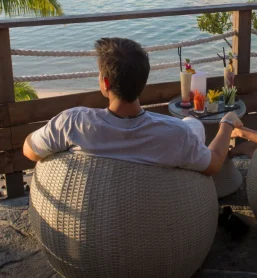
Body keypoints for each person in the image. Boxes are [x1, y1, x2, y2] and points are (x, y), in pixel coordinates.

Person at [23, 37, 242, 176]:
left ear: (106, 83)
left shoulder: (74, 123)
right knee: (193, 124)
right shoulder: (174, 134)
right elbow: (213, 166)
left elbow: (30, 150)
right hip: (153, 220)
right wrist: (226, 124)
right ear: (143, 81)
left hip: (90, 221)